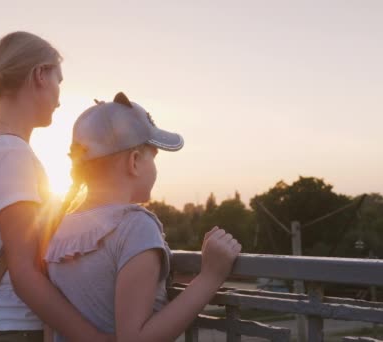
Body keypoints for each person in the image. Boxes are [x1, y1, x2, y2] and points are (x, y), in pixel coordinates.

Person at [46, 92, 241, 342]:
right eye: (153, 157)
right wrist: (210, 277)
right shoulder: (135, 226)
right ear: (135, 162)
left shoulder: (60, 229)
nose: (155, 167)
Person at [0, 31, 112, 342]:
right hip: (12, 328)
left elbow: (18, 240)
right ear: (40, 75)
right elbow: (25, 273)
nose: (59, 96)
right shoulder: (10, 154)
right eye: (58, 80)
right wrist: (94, 338)